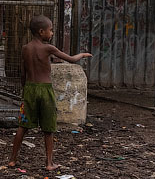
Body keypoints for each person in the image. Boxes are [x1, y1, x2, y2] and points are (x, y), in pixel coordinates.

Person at [8, 15, 92, 170]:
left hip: (30, 89)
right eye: (50, 30)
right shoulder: (48, 48)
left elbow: (23, 73)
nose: (52, 33)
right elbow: (72, 59)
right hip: (45, 90)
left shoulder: (25, 48)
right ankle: (49, 163)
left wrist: (25, 90)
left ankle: (13, 159)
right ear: (41, 31)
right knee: (48, 128)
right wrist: (83, 55)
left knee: (23, 126)